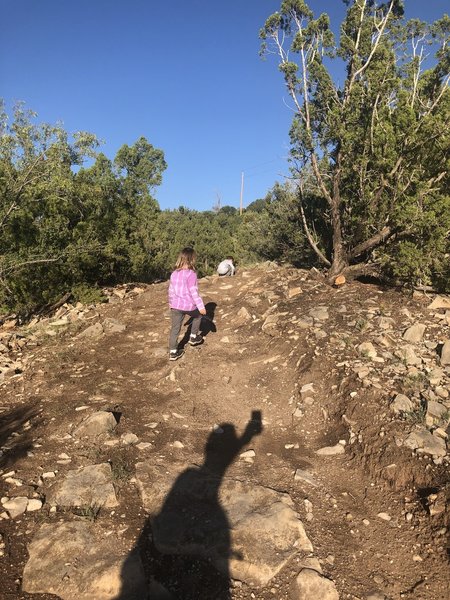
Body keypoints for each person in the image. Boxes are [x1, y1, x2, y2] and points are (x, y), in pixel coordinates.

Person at [168, 247, 206, 361]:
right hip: (188, 305)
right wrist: (201, 306)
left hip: (175, 305)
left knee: (175, 329)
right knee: (198, 315)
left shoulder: (174, 273)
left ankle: (173, 352)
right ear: (192, 259)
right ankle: (193, 337)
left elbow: (170, 290)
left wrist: (171, 303)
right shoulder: (191, 274)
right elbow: (194, 292)